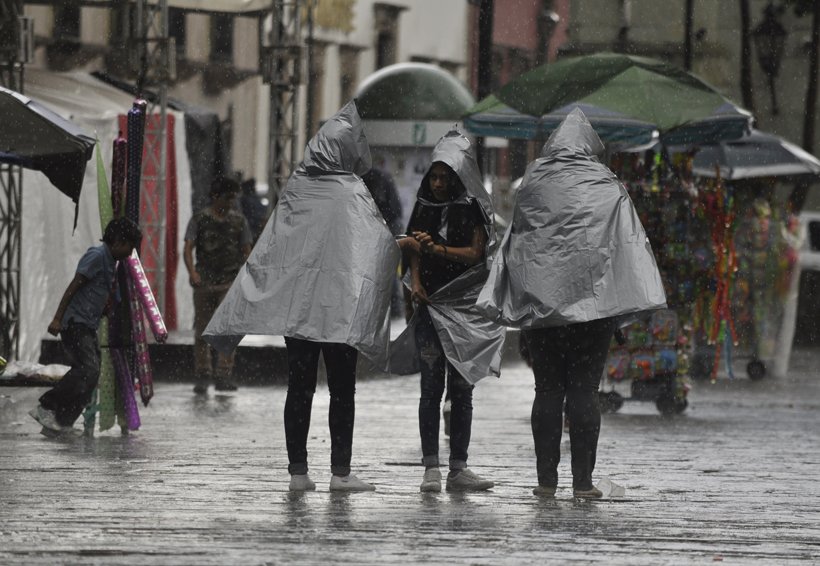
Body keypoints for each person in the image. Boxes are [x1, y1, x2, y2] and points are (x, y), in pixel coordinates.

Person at [202, 100, 400, 492]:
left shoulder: (297, 187)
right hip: (338, 311)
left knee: (300, 388)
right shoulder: (352, 192)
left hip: (299, 310)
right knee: (342, 390)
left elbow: (274, 246)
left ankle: (298, 472)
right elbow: (375, 243)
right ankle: (340, 473)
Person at [477, 108, 667, 498]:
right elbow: (625, 243)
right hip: (593, 312)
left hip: (542, 310)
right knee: (583, 391)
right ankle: (582, 483)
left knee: (546, 390)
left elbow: (521, 239)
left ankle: (546, 482)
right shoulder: (605, 183)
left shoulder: (533, 181)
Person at [397, 130, 502, 493]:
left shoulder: (471, 207)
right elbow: (410, 244)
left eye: (445, 177)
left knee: (461, 388)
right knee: (430, 387)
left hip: (465, 308)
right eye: (435, 176)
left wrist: (439, 250)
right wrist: (416, 282)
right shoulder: (425, 203)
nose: (438, 183)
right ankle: (431, 468)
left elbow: (476, 254)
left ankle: (459, 467)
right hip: (430, 305)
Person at [29, 217, 142, 436]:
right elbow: (74, 285)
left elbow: (104, 295)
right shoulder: (97, 256)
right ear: (118, 241)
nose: (131, 252)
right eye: (130, 246)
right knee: (88, 369)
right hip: (74, 324)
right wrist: (57, 318)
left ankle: (60, 423)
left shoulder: (112, 264)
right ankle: (48, 405)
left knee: (91, 375)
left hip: (87, 326)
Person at [184, 177, 252, 394]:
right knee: (203, 330)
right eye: (227, 197)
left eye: (233, 197)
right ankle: (203, 374)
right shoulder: (200, 219)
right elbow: (188, 247)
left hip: (229, 282)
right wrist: (192, 272)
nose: (231, 202)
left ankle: (224, 374)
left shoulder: (239, 221)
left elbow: (246, 250)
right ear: (215, 196)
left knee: (227, 329)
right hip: (204, 281)